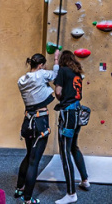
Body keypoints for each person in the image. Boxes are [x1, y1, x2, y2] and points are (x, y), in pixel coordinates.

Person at [14, 51, 60, 204]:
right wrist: (56, 59)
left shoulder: (21, 80)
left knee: (28, 155)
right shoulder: (41, 75)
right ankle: (27, 198)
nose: (44, 67)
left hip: (27, 121)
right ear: (40, 65)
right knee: (34, 160)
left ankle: (19, 188)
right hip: (40, 121)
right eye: (43, 65)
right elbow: (55, 75)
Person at [54, 50, 90, 204]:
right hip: (77, 113)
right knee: (74, 147)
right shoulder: (77, 73)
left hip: (68, 114)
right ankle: (85, 180)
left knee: (64, 151)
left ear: (62, 60)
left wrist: (56, 64)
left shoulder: (62, 71)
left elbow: (58, 92)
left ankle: (71, 193)